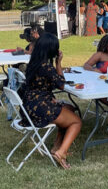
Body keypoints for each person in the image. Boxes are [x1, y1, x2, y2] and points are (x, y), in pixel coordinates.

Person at [19, 33, 82, 169]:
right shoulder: (46, 67)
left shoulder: (34, 64)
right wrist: (58, 63)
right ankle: (61, 153)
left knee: (69, 109)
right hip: (39, 108)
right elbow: (61, 84)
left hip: (29, 106)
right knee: (76, 121)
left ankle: (56, 147)